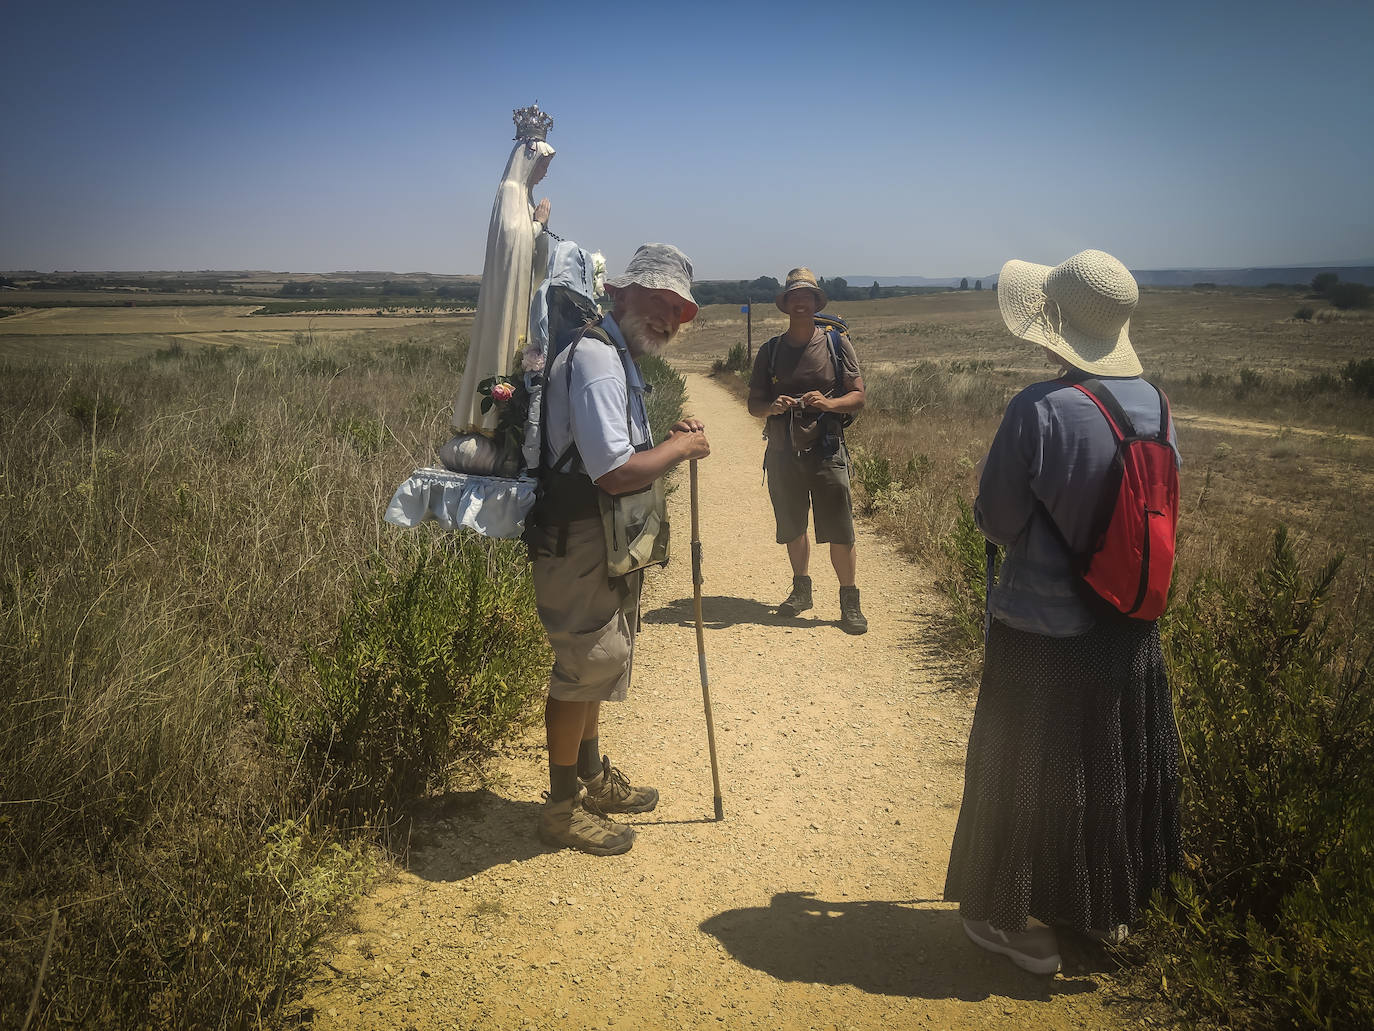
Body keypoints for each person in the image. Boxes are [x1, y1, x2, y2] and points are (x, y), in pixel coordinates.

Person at [943, 249, 1182, 975]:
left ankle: (1005, 918)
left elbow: (996, 519)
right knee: (1107, 769)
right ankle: (1099, 909)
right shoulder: (1157, 404)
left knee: (1021, 772)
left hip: (1041, 632)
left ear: (1055, 328)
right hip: (1128, 627)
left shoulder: (1038, 409)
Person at [529, 243, 711, 855]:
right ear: (620, 294)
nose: (665, 318)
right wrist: (680, 452)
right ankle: (560, 811)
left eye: (677, 312)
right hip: (582, 534)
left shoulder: (609, 354)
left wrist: (666, 441)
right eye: (657, 301)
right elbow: (613, 473)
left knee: (599, 663)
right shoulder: (600, 361)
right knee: (582, 667)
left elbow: (617, 454)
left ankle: (592, 778)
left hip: (596, 535)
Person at [747, 268, 868, 634]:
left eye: (807, 298)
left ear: (816, 303)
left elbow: (858, 397)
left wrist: (828, 405)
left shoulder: (835, 344)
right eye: (794, 298)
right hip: (783, 453)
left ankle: (850, 602)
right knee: (792, 526)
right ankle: (802, 592)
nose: (801, 304)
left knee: (840, 529)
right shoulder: (769, 351)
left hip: (826, 449)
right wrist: (773, 407)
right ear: (786, 305)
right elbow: (754, 405)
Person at [451, 104, 556, 433]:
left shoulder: (524, 196)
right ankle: (491, 423)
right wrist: (538, 225)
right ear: (529, 161)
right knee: (503, 350)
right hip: (506, 297)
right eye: (543, 165)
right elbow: (513, 242)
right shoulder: (511, 192)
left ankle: (509, 423)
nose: (545, 172)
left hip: (519, 294)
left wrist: (539, 231)